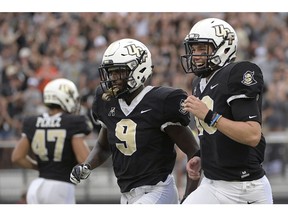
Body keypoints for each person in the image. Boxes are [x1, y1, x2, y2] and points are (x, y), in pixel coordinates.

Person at [70, 38, 199, 204]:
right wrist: (86, 166)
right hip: (126, 195)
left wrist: (189, 198)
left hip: (157, 190)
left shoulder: (161, 101)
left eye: (119, 71)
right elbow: (103, 146)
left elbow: (194, 151)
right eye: (110, 72)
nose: (113, 77)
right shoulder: (108, 101)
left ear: (139, 70)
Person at [180, 17, 273, 204]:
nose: (196, 55)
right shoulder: (198, 82)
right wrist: (202, 158)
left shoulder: (238, 73)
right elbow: (214, 135)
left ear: (223, 48)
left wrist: (208, 115)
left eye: (202, 49)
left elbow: (252, 134)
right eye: (194, 49)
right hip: (212, 183)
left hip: (245, 189)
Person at [11, 78, 92, 204]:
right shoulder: (72, 122)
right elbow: (85, 160)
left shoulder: (32, 121)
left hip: (36, 186)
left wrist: (41, 167)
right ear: (64, 97)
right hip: (60, 187)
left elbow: (17, 157)